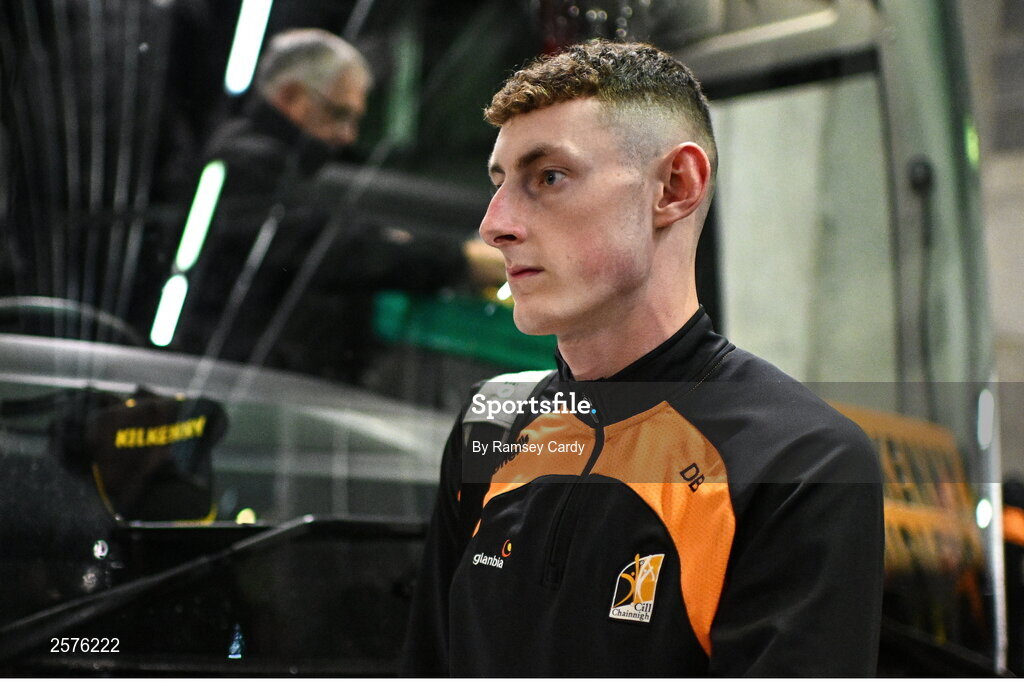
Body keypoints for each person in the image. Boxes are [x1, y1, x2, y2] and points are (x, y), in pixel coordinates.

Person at [400, 40, 884, 676]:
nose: (495, 225)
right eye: (499, 184)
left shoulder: (797, 461)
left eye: (548, 177)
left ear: (674, 188)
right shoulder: (490, 423)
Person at [177, 28, 504, 381]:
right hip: (236, 376)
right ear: (290, 95)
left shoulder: (256, 157)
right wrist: (457, 260)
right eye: (338, 114)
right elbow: (323, 250)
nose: (348, 135)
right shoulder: (246, 163)